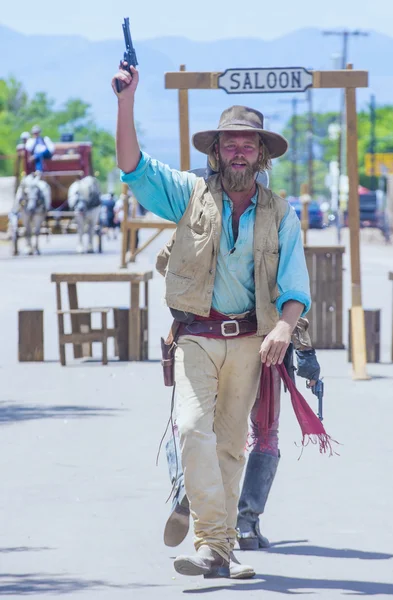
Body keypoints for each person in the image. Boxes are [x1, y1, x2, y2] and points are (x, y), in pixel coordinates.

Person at [113, 64, 311, 579]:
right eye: (230, 143)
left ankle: (216, 550)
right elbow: (133, 167)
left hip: (250, 342)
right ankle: (215, 539)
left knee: (228, 445)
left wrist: (285, 327)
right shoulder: (188, 194)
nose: (239, 151)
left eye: (249, 143)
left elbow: (295, 288)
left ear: (261, 153)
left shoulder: (281, 213)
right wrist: (126, 100)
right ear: (215, 152)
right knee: (193, 429)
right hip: (196, 337)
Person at [163, 317, 322, 556]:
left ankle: (185, 485)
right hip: (265, 345)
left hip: (204, 337)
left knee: (189, 423)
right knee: (265, 432)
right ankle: (246, 523)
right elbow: (292, 295)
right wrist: (305, 350)